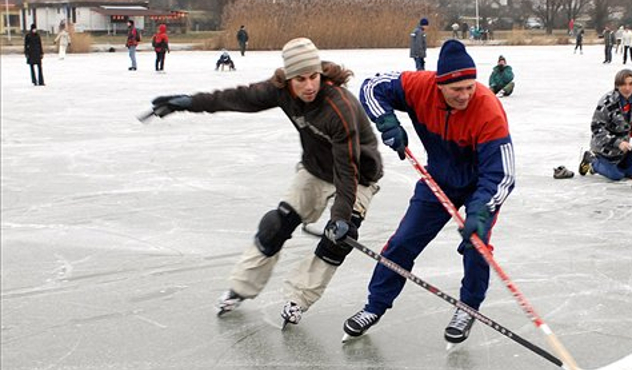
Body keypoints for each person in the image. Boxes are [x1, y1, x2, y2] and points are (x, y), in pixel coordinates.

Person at [147, 38, 383, 326]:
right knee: (276, 225)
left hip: (357, 177)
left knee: (338, 240)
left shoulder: (339, 107)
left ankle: (299, 298)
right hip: (315, 170)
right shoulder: (280, 91)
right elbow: (238, 97)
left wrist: (341, 218)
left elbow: (348, 170)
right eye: (300, 79)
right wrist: (188, 103)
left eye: (313, 77)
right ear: (288, 78)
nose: (309, 86)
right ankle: (240, 288)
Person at [344, 39, 515, 345]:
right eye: (456, 90)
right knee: (403, 242)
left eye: (469, 87)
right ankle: (374, 306)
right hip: (438, 179)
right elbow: (372, 87)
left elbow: (502, 174)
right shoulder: (418, 87)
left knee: (476, 245)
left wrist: (481, 210)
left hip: (480, 185)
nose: (464, 95)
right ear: (440, 85)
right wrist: (386, 120)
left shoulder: (488, 111)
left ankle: (468, 308)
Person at [579, 69, 632, 190]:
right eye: (623, 84)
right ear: (617, 85)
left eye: (631, 84)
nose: (627, 88)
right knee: (616, 176)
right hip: (604, 148)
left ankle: (616, 163)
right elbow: (596, 128)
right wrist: (617, 143)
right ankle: (591, 160)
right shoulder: (607, 101)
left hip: (623, 149)